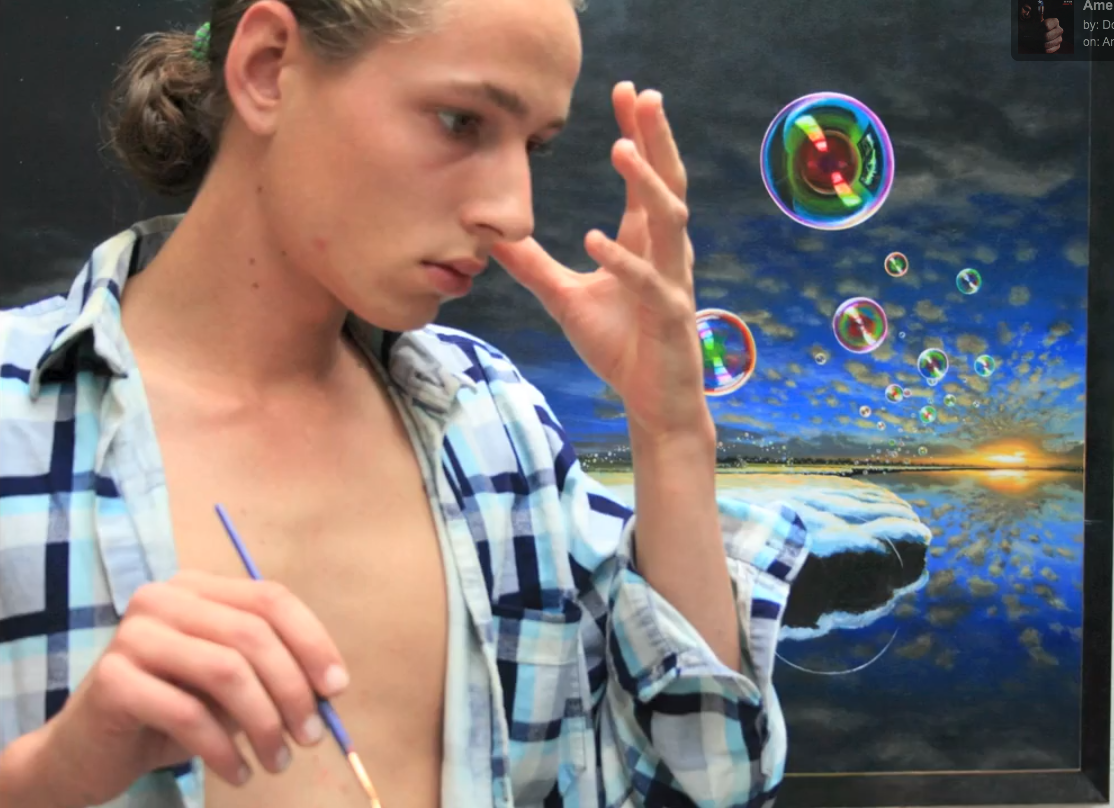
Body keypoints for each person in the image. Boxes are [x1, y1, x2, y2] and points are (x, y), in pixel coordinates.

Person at [0, 0, 810, 806]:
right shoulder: (17, 425)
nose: (514, 215)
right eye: (461, 122)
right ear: (268, 67)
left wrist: (671, 433)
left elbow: (704, 786)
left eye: (533, 147)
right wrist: (54, 774)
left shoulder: (495, 427)